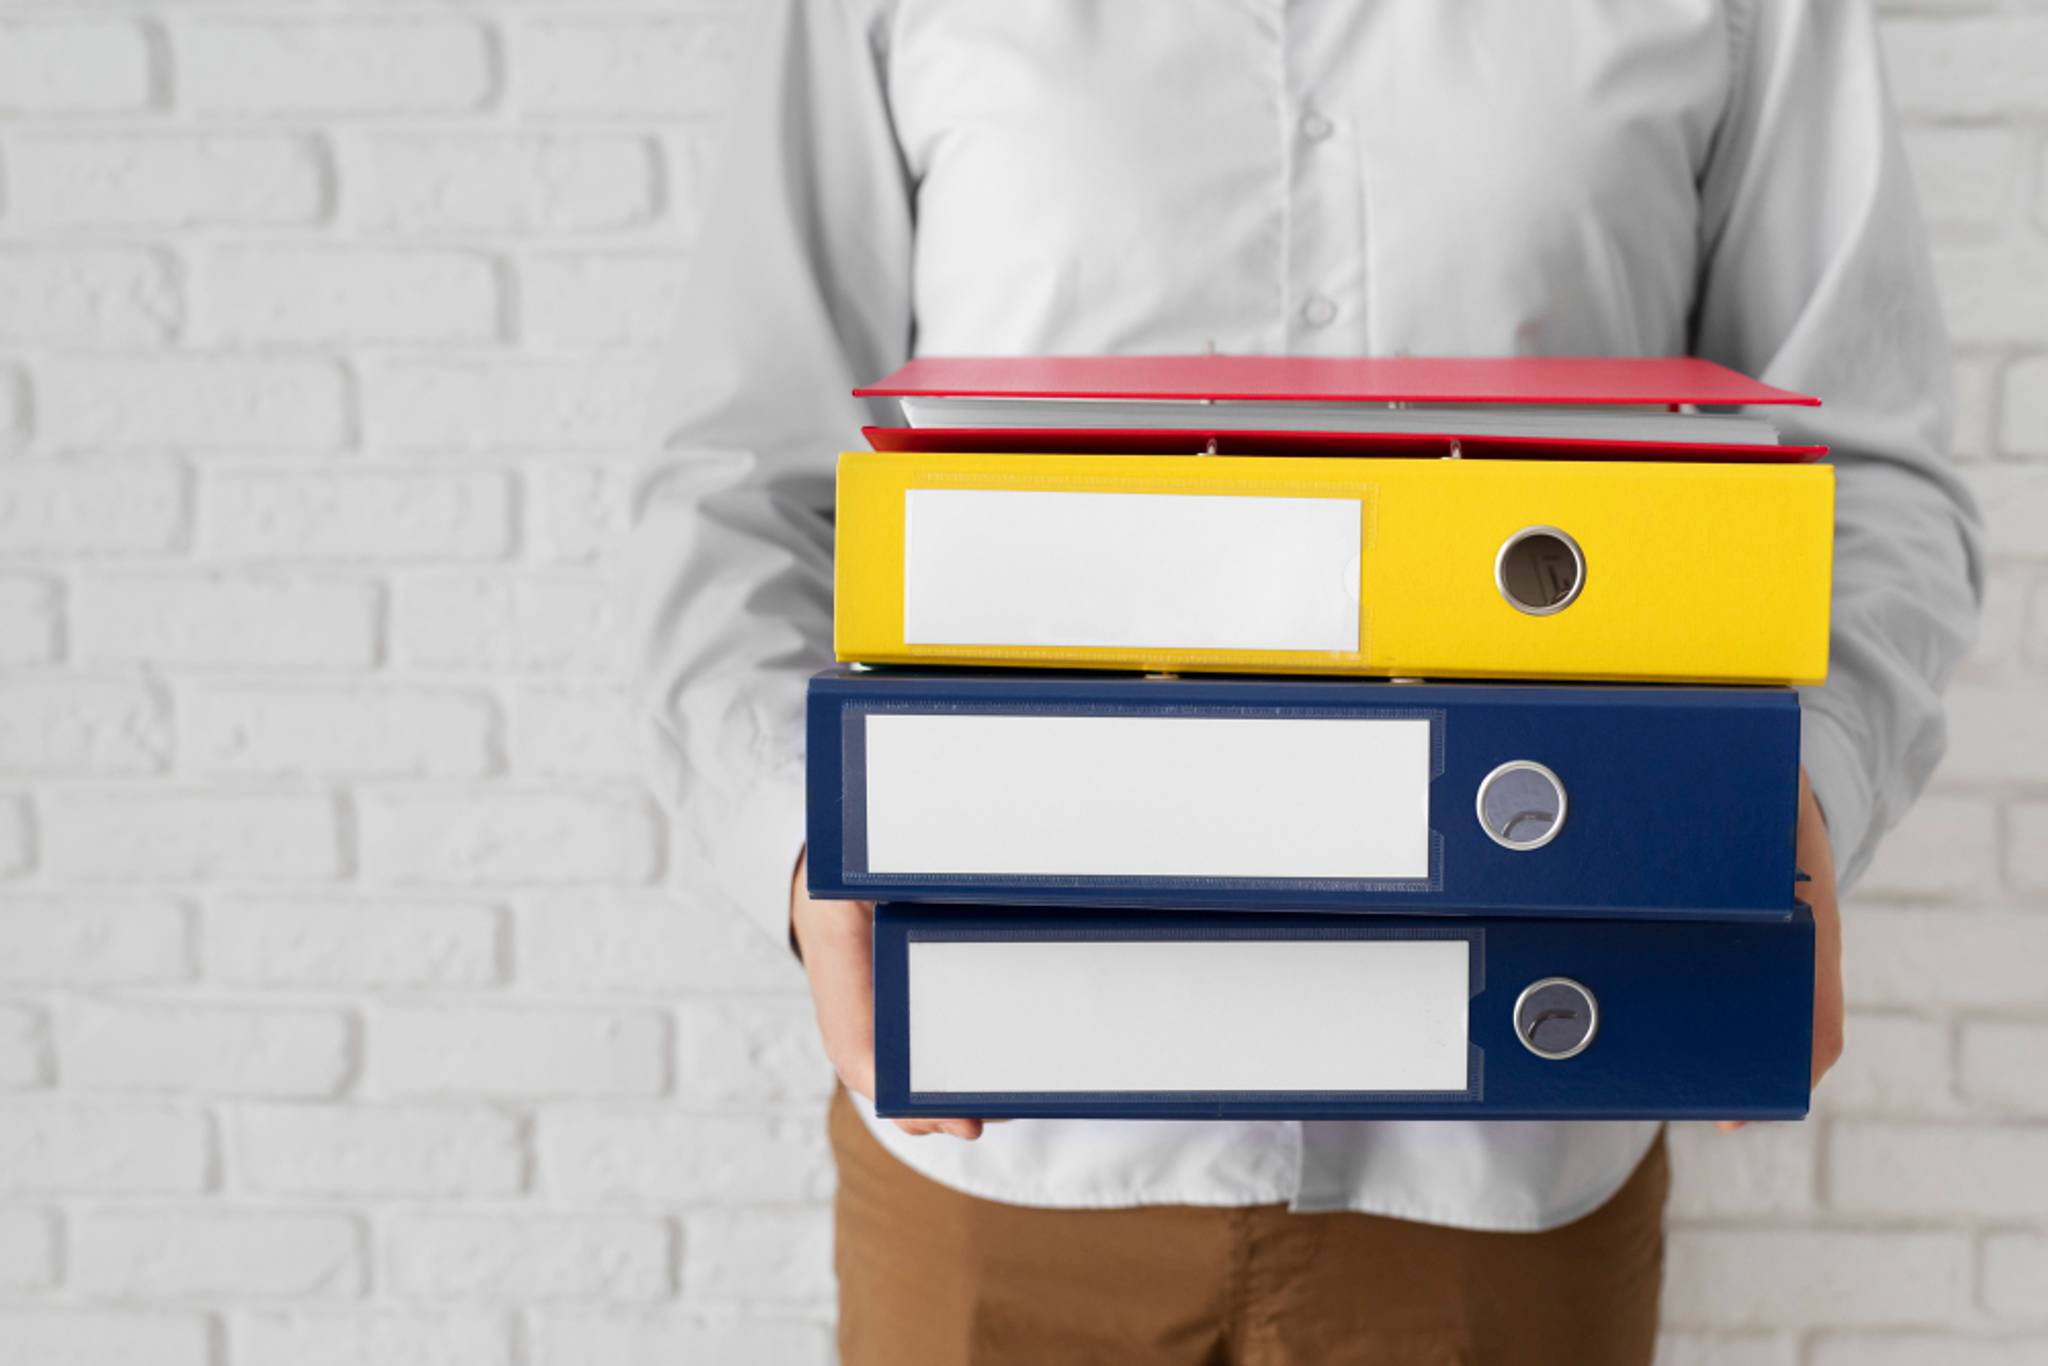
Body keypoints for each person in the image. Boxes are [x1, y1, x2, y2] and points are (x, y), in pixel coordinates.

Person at [632, 3, 1983, 1362]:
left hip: (1512, 1164)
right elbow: (744, 483)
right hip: (998, 1178)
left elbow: (1867, 475)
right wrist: (808, 846)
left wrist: (1791, 789)